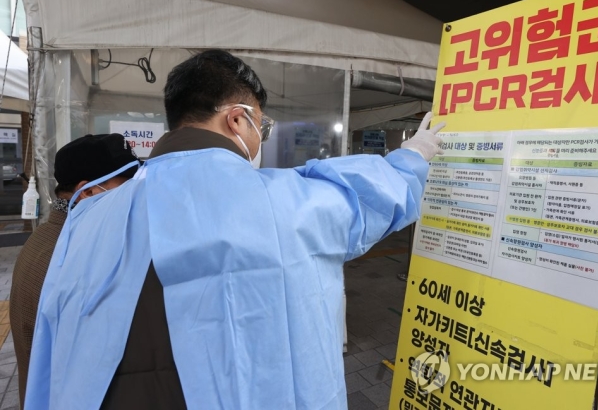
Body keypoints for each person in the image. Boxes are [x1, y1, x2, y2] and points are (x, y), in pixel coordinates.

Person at [25, 50, 444, 410]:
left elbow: (49, 346)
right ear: (237, 119)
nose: (260, 139)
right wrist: (413, 158)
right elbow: (369, 197)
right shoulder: (288, 201)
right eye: (260, 126)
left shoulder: (88, 217)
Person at [10, 133, 140, 409]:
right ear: (88, 192)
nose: (136, 193)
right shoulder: (67, 256)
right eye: (127, 184)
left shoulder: (52, 236)